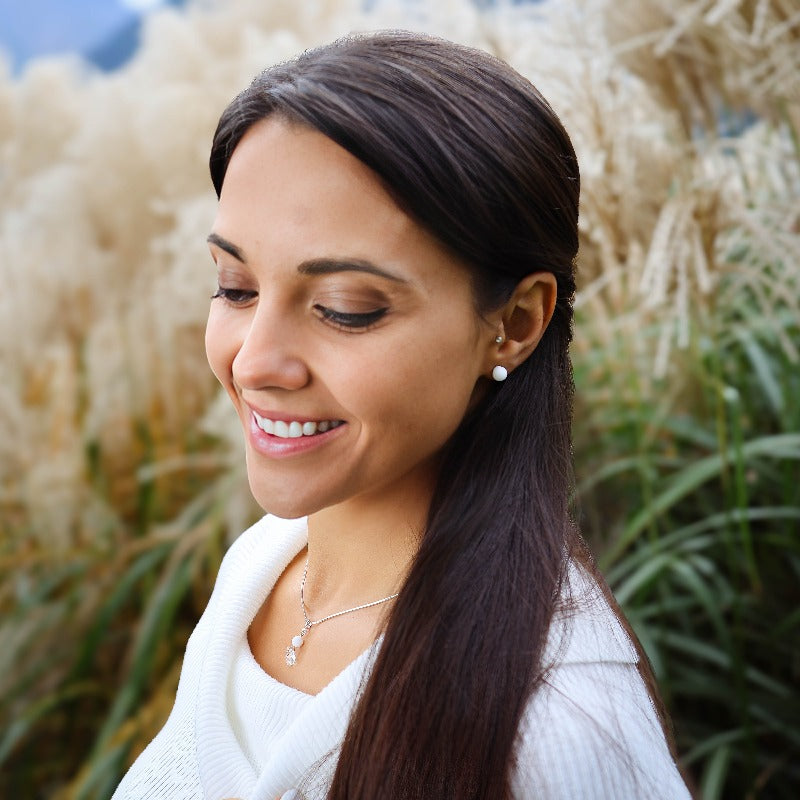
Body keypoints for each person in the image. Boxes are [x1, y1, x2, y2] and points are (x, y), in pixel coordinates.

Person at [113, 31, 692, 800]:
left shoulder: (560, 729)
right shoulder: (262, 568)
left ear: (516, 324)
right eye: (235, 287)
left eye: (345, 309)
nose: (254, 360)